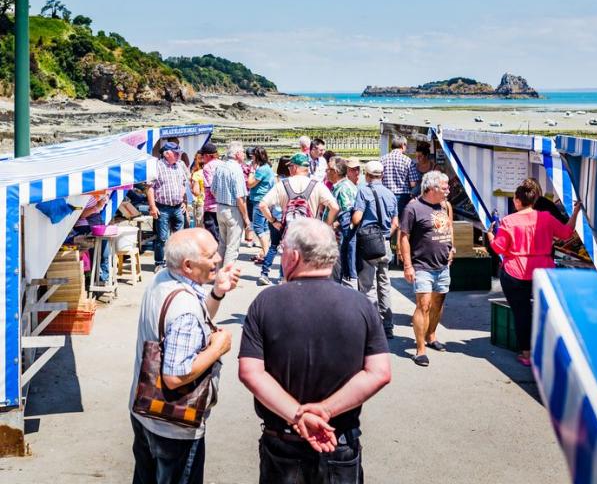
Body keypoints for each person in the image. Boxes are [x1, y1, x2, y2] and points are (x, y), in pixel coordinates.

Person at [238, 218, 391, 484]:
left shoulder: (265, 303)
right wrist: (326, 410)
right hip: (339, 440)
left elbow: (250, 372)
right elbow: (379, 373)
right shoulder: (361, 305)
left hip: (282, 442)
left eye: (283, 250)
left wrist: (298, 414)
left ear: (294, 256)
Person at [129, 228, 240, 484]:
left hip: (144, 410)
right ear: (188, 265)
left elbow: (192, 326)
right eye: (211, 255)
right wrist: (217, 349)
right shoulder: (185, 308)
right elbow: (174, 377)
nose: (218, 259)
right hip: (173, 426)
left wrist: (218, 292)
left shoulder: (163, 280)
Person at [487, 178, 581, 366]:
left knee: (521, 313)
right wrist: (576, 211)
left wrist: (490, 236)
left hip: (515, 273)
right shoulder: (546, 217)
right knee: (546, 311)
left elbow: (498, 248)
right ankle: (551, 350)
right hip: (544, 271)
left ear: (518, 201)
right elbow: (566, 233)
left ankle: (527, 354)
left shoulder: (508, 221)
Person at [399, 171, 454, 367]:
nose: (448, 191)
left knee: (438, 303)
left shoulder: (444, 205)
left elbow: (449, 226)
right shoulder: (413, 208)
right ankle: (420, 349)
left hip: (442, 264)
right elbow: (403, 236)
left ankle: (431, 336)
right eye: (444, 187)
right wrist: (407, 265)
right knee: (423, 305)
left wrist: (452, 246)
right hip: (421, 264)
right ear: (431, 188)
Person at [352, 160, 398, 339]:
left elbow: (357, 218)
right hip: (384, 242)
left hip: (368, 243)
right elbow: (396, 222)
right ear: (382, 175)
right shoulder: (390, 194)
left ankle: (371, 327)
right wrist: (384, 234)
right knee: (385, 284)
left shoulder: (363, 191)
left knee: (367, 285)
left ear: (367, 174)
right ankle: (388, 326)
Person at [258, 153, 339, 231]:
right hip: (312, 234)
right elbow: (335, 207)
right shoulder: (318, 185)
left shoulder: (282, 185)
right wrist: (326, 225)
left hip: (291, 235)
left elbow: (262, 205)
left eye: (289, 166)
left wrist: (274, 221)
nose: (288, 169)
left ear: (295, 167)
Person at [147, 142, 190, 271]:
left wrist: (184, 202)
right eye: (176, 153)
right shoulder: (157, 166)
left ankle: (178, 263)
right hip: (162, 208)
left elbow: (183, 184)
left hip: (178, 207)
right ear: (166, 154)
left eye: (178, 153)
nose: (178, 155)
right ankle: (160, 263)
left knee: (180, 238)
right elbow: (150, 188)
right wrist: (152, 207)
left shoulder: (179, 166)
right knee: (162, 238)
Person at [211, 141, 251, 266]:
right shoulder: (236, 169)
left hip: (220, 207)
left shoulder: (220, 167)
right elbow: (240, 197)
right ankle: (225, 277)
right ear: (238, 154)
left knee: (222, 244)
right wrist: (246, 218)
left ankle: (218, 273)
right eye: (243, 152)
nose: (244, 154)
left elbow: (213, 190)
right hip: (233, 209)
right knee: (232, 247)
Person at [258, 156, 291, 285]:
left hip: (273, 216)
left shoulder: (274, 179)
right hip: (285, 217)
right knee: (286, 248)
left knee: (273, 245)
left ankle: (264, 272)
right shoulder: (289, 182)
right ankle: (282, 276)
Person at [326, 156, 358, 288]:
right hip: (340, 237)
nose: (326, 172)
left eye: (328, 169)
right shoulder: (343, 186)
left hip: (340, 238)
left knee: (338, 274)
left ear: (336, 171)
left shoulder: (343, 188)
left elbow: (348, 213)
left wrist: (335, 225)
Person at [247, 147, 275, 264]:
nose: (251, 158)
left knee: (258, 228)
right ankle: (264, 252)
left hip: (259, 200)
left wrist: (252, 171)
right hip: (264, 199)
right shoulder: (267, 168)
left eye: (253, 156)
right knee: (264, 227)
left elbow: (250, 184)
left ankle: (266, 252)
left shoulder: (261, 170)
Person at [380, 135, 419, 220]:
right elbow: (413, 184)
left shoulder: (382, 159)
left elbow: (379, 179)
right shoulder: (407, 160)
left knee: (387, 220)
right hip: (403, 196)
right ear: (403, 145)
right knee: (401, 221)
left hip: (386, 195)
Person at [201, 142, 221, 242]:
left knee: (213, 236)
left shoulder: (207, 167)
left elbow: (211, 187)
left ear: (207, 155)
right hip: (223, 205)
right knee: (222, 235)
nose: (202, 158)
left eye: (203, 155)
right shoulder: (222, 164)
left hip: (211, 206)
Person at [190, 151, 205, 227]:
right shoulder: (211, 171)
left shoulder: (197, 174)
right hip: (212, 204)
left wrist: (191, 186)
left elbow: (196, 192)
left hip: (200, 203)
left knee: (200, 228)